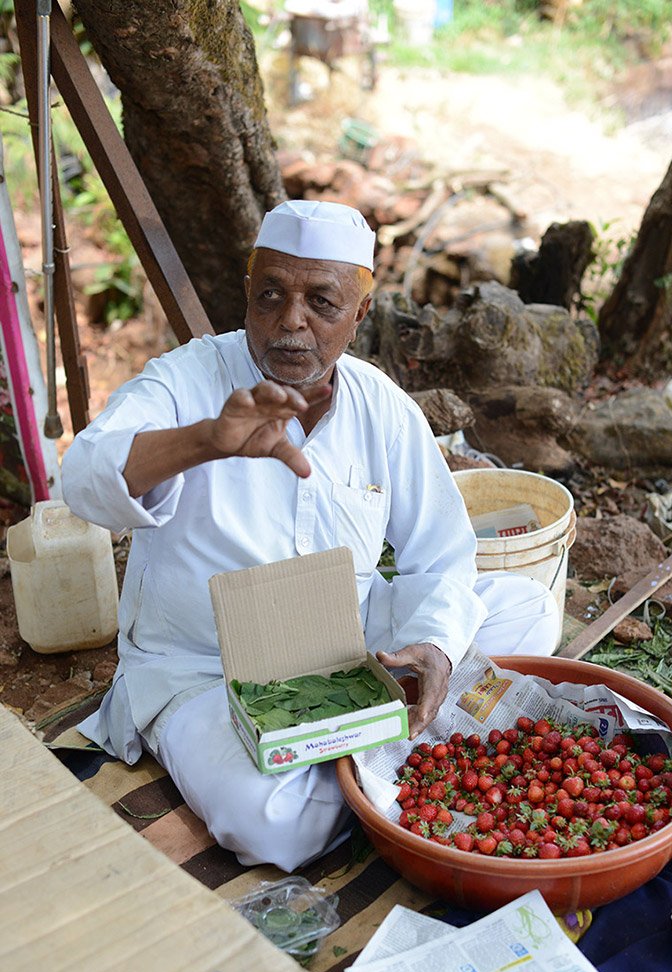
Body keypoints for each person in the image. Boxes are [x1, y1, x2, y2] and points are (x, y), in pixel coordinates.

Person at [63, 200, 561, 872]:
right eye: (271, 294)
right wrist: (205, 440)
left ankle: (356, 741)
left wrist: (436, 647)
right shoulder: (186, 381)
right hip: (207, 669)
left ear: (359, 313)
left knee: (527, 609)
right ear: (248, 294)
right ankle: (384, 748)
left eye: (321, 300)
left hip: (349, 642)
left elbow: (442, 554)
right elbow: (85, 476)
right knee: (273, 823)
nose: (290, 319)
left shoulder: (381, 406)